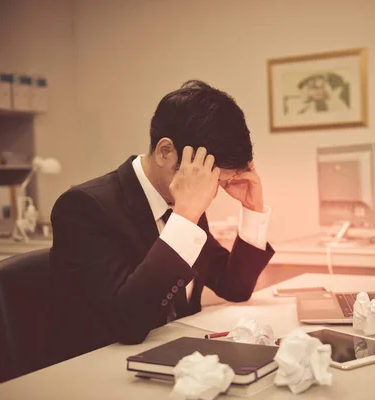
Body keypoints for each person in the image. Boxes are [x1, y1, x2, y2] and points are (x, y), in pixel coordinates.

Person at [48, 80, 274, 363]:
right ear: (165, 151)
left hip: (181, 364)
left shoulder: (181, 196)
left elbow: (235, 287)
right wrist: (185, 216)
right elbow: (126, 323)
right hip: (104, 369)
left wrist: (252, 208)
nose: (212, 191)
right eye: (209, 179)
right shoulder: (84, 208)